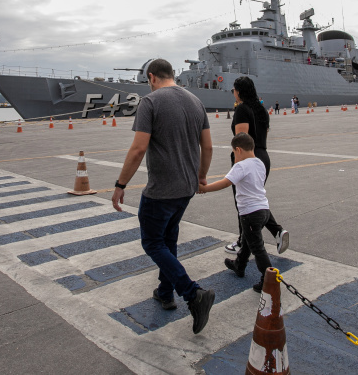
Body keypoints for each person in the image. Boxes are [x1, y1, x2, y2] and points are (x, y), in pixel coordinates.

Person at [112, 58, 215, 334]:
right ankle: (165, 292)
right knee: (169, 240)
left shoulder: (151, 102)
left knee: (152, 242)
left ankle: (193, 294)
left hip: (161, 191)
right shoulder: (196, 101)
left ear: (151, 77)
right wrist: (201, 176)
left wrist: (121, 183)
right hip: (186, 189)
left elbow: (138, 149)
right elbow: (208, 146)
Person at [199, 132, 281, 292]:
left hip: (250, 213)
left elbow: (225, 183)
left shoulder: (241, 166)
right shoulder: (259, 163)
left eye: (234, 153)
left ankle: (269, 281)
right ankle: (239, 265)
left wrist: (204, 189)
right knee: (247, 239)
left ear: (238, 150)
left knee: (257, 247)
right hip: (264, 210)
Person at [223, 76, 288, 256]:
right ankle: (277, 232)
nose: (233, 93)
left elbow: (241, 140)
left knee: (243, 202)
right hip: (262, 157)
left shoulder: (242, 109)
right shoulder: (261, 109)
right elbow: (264, 133)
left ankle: (243, 243)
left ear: (239, 91)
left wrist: (238, 165)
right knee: (255, 199)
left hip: (247, 158)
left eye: (234, 90)